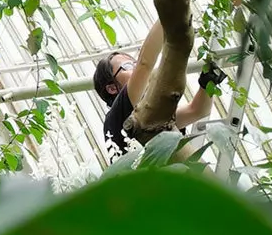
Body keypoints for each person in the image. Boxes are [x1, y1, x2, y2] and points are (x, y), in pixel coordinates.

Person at [93, 17, 227, 157]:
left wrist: (206, 84)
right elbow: (145, 64)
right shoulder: (118, 116)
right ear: (112, 88)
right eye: (127, 66)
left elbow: (197, 111)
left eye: (134, 63)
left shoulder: (151, 111)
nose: (135, 67)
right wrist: (171, 7)